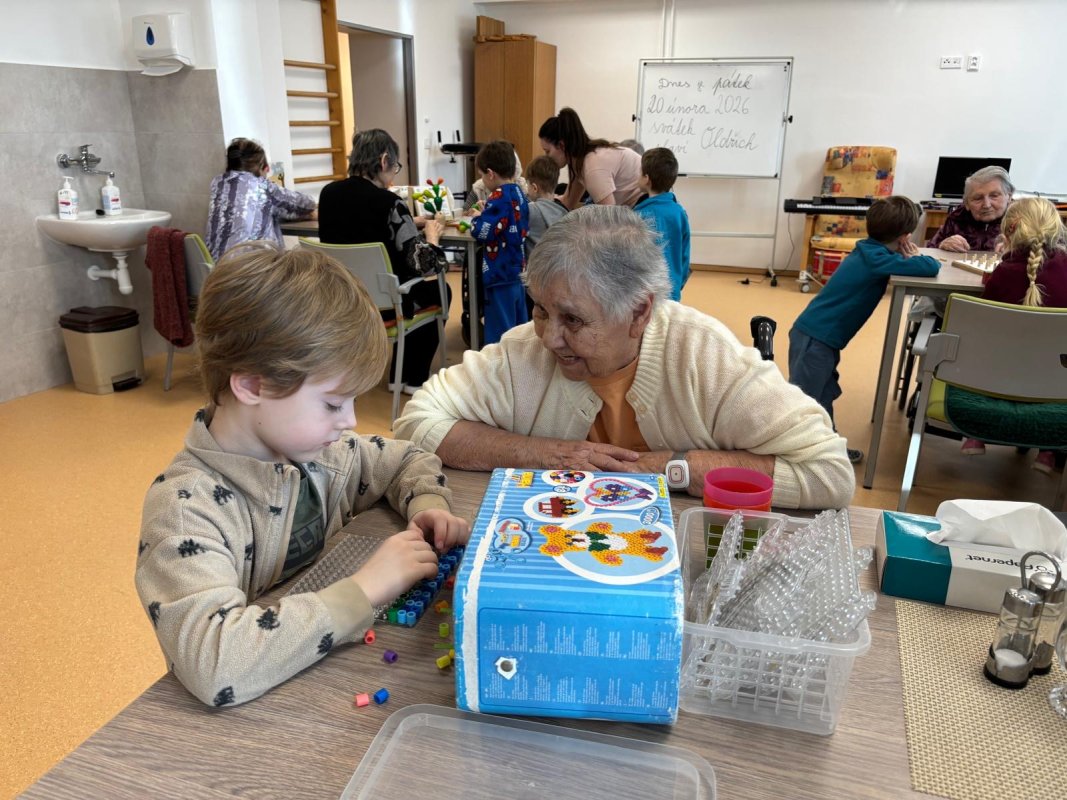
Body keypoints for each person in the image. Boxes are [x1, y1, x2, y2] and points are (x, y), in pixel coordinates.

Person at [135, 243, 470, 708]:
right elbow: (215, 664)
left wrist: (428, 504)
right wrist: (363, 590)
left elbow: (405, 459)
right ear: (251, 385)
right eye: (333, 404)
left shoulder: (317, 453)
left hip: (308, 683)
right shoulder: (185, 511)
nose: (350, 421)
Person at [395, 205, 854, 511]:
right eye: (540, 310)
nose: (549, 338)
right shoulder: (524, 352)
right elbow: (417, 421)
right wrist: (544, 454)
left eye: (573, 320)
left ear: (639, 313)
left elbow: (829, 472)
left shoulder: (703, 355)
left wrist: (668, 468)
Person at [789, 196, 940, 464]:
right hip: (816, 339)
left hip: (820, 337)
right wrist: (913, 255)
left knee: (823, 394)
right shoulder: (877, 259)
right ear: (905, 237)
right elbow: (930, 266)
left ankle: (827, 447)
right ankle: (792, 452)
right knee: (806, 400)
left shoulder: (871, 252)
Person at [318, 129, 450, 395]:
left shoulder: (328, 194)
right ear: (383, 160)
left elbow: (360, 223)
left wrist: (406, 222)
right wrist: (432, 237)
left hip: (346, 300)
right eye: (395, 167)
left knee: (403, 287)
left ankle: (397, 375)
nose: (394, 175)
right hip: (389, 305)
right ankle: (412, 378)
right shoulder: (390, 202)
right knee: (439, 289)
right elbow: (424, 264)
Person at [958, 197, 1067, 471]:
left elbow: (983, 327)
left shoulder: (1003, 273)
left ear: (1008, 232)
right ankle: (1048, 450)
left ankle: (976, 433)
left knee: (980, 346)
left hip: (997, 376)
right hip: (1054, 382)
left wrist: (995, 269)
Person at [205, 138, 316, 261]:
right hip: (251, 268)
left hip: (216, 267)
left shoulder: (218, 184)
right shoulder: (262, 186)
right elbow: (307, 204)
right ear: (261, 167)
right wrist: (309, 214)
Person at [470, 140, 530, 345]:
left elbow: (482, 231)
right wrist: (488, 212)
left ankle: (499, 364)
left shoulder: (498, 196)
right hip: (517, 271)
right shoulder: (518, 193)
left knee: (500, 333)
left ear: (490, 173)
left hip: (499, 274)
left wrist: (477, 219)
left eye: (481, 175)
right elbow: (508, 220)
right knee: (519, 327)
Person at [539, 107, 643, 209]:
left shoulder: (592, 166)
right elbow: (567, 203)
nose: (546, 157)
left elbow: (610, 215)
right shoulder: (578, 163)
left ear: (562, 145)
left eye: (547, 151)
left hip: (645, 203)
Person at [634, 147, 691, 302]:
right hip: (672, 292)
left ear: (646, 179)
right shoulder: (679, 212)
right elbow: (685, 255)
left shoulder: (638, 216)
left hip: (645, 295)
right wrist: (678, 284)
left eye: (640, 173)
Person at [928, 166, 1013, 253]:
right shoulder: (957, 218)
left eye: (994, 196)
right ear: (967, 204)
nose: (987, 205)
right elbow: (929, 250)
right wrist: (941, 245)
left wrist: (1017, 253)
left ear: (1009, 197)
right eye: (978, 198)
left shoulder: (1019, 220)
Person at [523, 155, 568, 253]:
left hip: (534, 262)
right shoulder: (564, 212)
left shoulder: (530, 210)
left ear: (534, 188)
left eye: (527, 184)